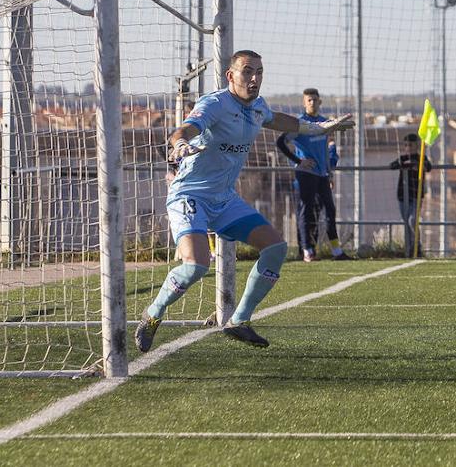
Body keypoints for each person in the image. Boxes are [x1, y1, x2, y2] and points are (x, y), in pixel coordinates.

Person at [135, 50, 354, 351]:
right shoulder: (215, 103)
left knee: (276, 248)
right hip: (190, 195)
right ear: (231, 76)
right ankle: (152, 315)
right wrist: (181, 142)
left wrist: (320, 128)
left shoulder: (258, 107)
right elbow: (184, 129)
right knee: (197, 265)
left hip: (224, 199)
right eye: (247, 71)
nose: (254, 78)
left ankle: (239, 321)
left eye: (259, 72)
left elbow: (283, 122)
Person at [275, 87, 348, 262]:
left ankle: (337, 251)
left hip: (322, 175)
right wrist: (299, 161)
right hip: (305, 174)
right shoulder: (299, 123)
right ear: (304, 102)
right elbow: (281, 142)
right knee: (306, 211)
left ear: (320, 101)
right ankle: (307, 251)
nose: (312, 103)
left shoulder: (323, 123)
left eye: (315, 100)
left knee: (330, 210)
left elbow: (327, 147)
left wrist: (329, 172)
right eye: (309, 100)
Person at [388, 133, 432, 258]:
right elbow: (392, 166)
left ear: (417, 145)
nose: (408, 147)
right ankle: (409, 249)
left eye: (410, 145)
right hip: (402, 195)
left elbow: (428, 167)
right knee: (406, 223)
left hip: (416, 195)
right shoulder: (402, 158)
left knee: (412, 220)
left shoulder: (421, 157)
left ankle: (417, 245)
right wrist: (404, 164)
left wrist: (418, 166)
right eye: (406, 145)